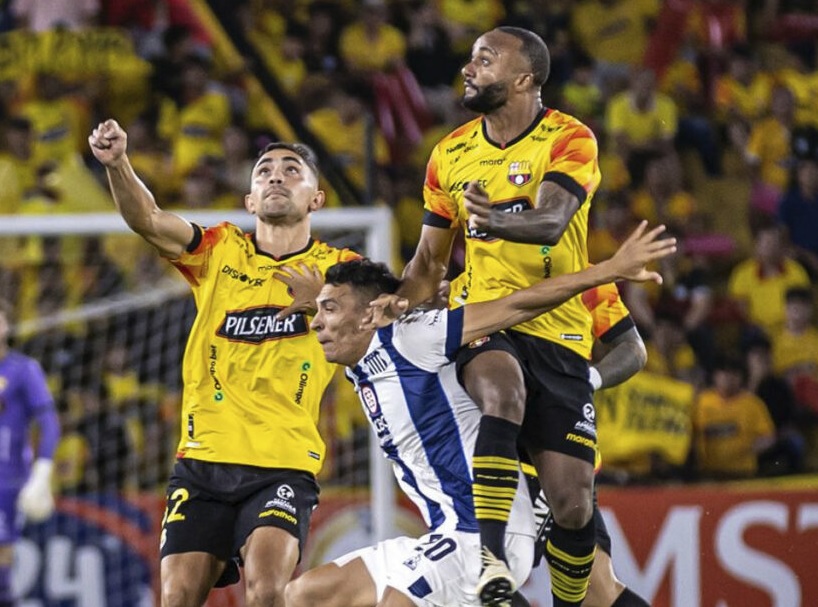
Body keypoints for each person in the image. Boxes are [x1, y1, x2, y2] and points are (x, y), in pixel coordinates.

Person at [286, 221, 674, 607]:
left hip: (523, 489)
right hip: (451, 526)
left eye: (328, 309)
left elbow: (524, 306)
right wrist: (319, 301)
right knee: (305, 594)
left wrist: (608, 270)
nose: (318, 321)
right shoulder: (448, 296)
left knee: (595, 588)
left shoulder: (414, 336)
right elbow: (386, 301)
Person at [368, 26, 601, 606]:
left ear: (524, 78)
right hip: (484, 318)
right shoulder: (448, 154)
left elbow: (550, 221)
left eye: (486, 59)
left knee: (573, 504)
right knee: (502, 390)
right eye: (471, 58)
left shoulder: (570, 138)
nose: (469, 69)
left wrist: (491, 220)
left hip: (558, 328)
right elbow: (429, 259)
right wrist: (402, 298)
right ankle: (490, 558)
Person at [88, 119, 359, 607]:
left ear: (316, 199)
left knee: (267, 590)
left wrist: (322, 297)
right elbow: (147, 219)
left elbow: (384, 319)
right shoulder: (218, 250)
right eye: (263, 171)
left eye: (291, 169)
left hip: (283, 462)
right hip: (203, 458)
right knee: (175, 596)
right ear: (250, 201)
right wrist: (117, 164)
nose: (275, 176)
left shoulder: (342, 268)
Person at [0, 298, 61, 607]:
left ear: (7, 325)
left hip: (7, 479)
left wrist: (42, 473)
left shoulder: (23, 370)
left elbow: (49, 423)